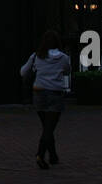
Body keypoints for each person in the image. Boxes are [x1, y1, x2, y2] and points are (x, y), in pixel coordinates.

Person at [20, 31, 72, 169]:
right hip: (55, 93)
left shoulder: (36, 56)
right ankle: (40, 154)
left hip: (39, 92)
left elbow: (23, 72)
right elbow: (67, 71)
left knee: (47, 126)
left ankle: (53, 156)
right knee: (49, 127)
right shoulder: (63, 58)